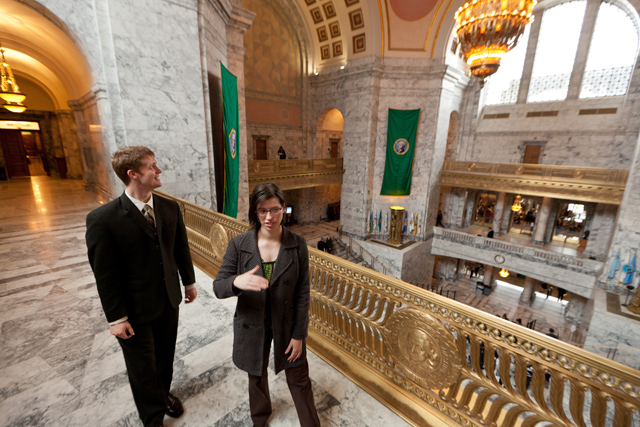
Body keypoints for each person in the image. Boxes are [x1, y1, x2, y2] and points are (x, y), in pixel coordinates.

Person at [86, 146, 197, 427]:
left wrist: (189, 282)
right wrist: (116, 318)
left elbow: (179, 248)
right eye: (151, 167)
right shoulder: (103, 219)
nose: (158, 171)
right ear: (133, 174)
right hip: (133, 310)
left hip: (168, 300)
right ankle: (152, 418)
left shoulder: (170, 207)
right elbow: (105, 274)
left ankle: (161, 395)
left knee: (164, 358)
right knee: (142, 368)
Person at [213, 183, 320, 427]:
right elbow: (219, 286)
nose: (269, 217)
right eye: (262, 211)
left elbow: (303, 292)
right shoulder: (239, 245)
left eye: (275, 210)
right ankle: (259, 418)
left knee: (299, 378)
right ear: (255, 212)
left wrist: (299, 334)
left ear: (284, 209)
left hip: (287, 322)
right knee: (256, 375)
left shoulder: (297, 244)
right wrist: (238, 281)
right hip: (253, 323)